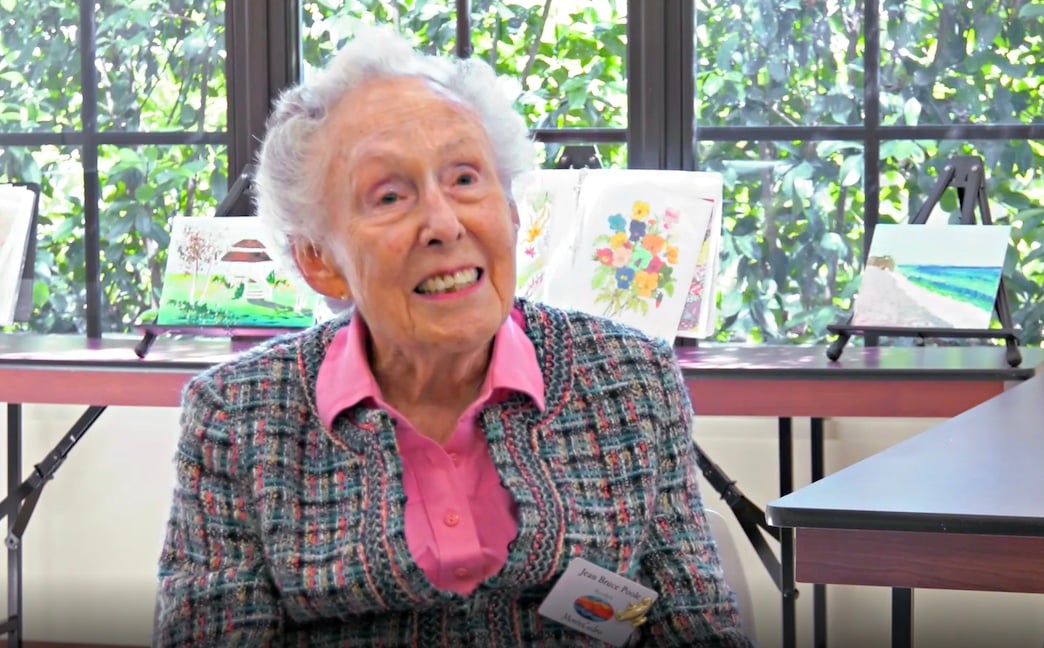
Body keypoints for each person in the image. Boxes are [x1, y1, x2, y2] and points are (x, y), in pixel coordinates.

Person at [153, 27, 753, 648]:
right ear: (318, 259)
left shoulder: (630, 378)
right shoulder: (238, 416)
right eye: (389, 195)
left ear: (512, 212)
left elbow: (690, 621)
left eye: (465, 179)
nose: (443, 223)